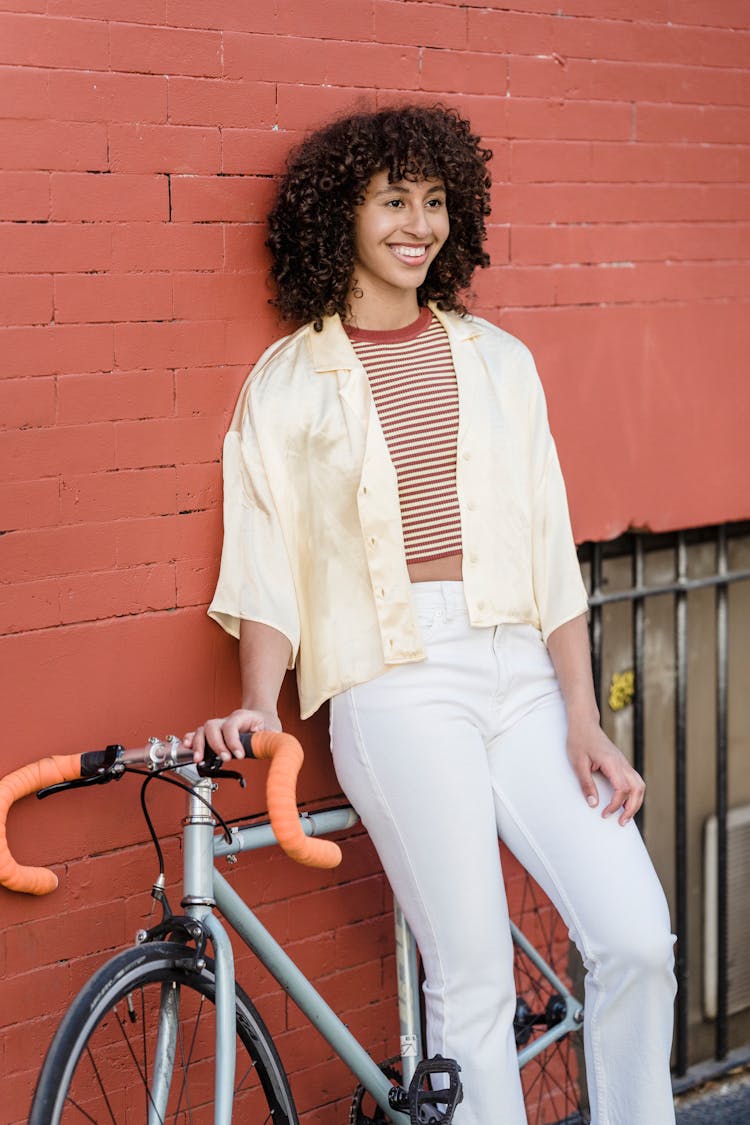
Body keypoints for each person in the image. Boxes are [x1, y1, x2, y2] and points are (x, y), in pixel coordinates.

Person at [184, 104, 677, 1125]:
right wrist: (259, 705)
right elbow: (268, 559)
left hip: (522, 676)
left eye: (436, 201)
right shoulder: (287, 385)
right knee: (473, 984)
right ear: (341, 219)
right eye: (393, 201)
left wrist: (583, 717)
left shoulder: (501, 362)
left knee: (635, 938)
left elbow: (551, 552)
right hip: (396, 685)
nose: (419, 224)